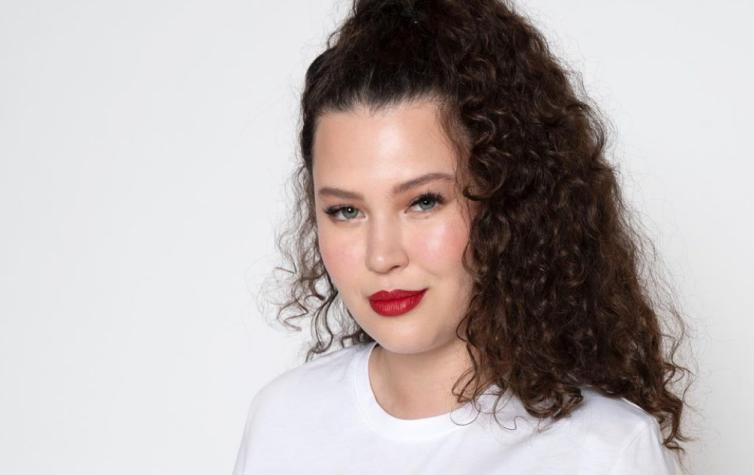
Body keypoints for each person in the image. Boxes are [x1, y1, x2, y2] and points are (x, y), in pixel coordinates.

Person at [234, 0, 694, 473]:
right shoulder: (283, 420)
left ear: (507, 199)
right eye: (346, 211)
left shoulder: (602, 451)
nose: (382, 256)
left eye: (424, 202)